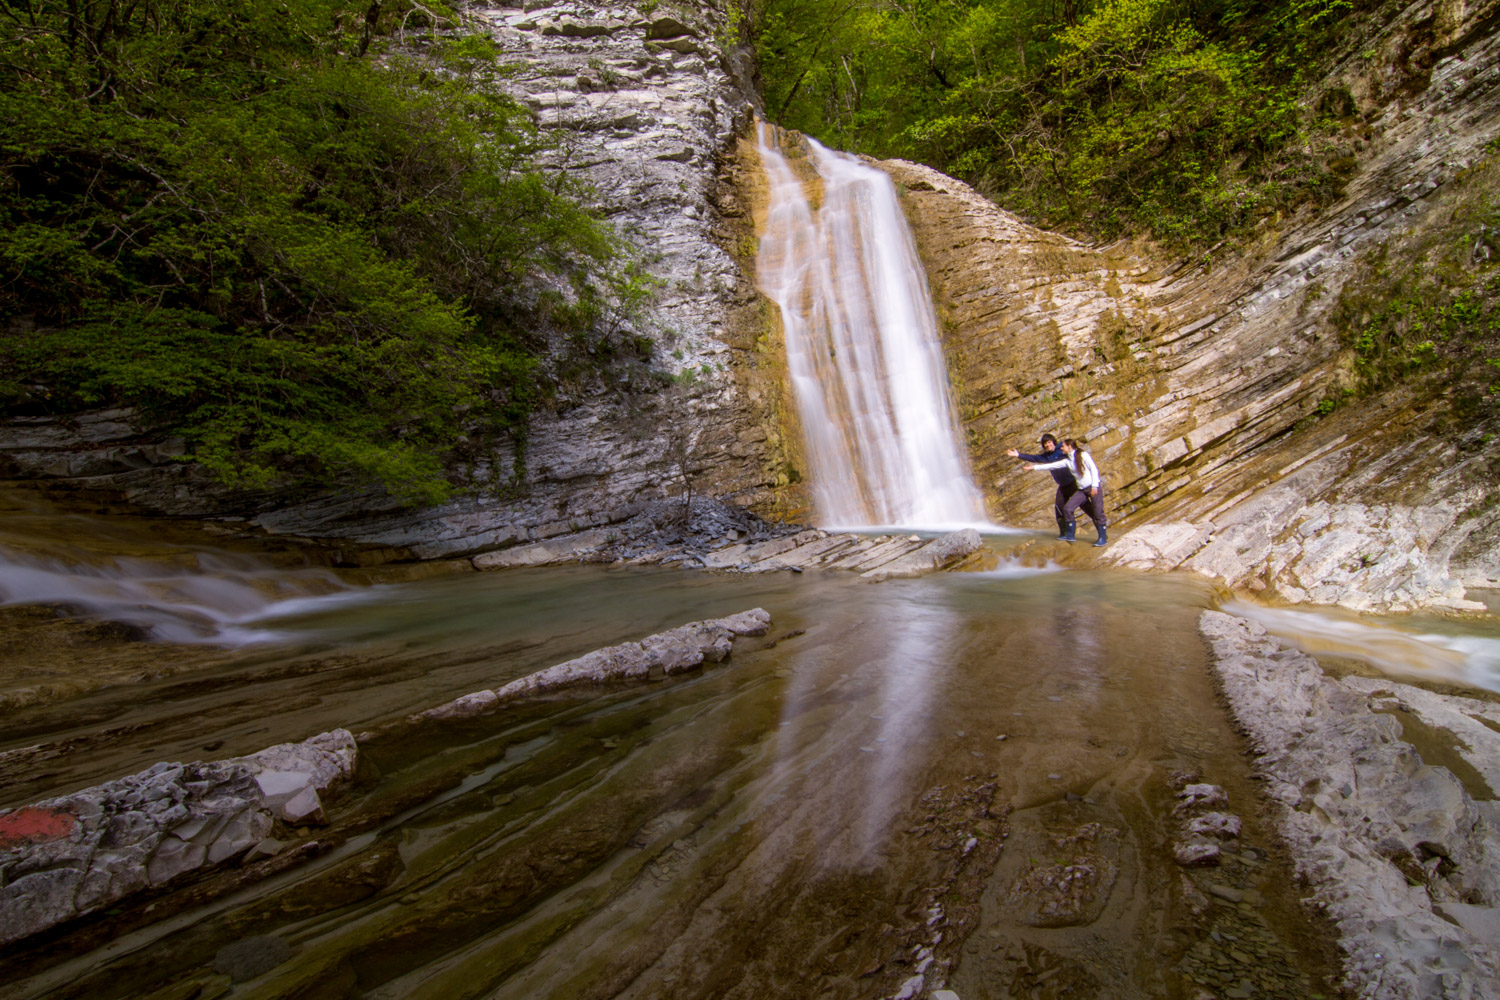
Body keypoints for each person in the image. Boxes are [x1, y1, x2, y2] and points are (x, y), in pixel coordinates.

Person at [1023, 438, 1108, 546]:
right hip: (1081, 490)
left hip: (1092, 487)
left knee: (1097, 512)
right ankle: (1070, 535)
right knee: (1068, 508)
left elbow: (1094, 470)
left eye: (1062, 446)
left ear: (1069, 446)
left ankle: (1103, 538)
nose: (1061, 448)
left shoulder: (1083, 455)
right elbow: (1051, 466)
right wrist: (1034, 467)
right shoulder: (1067, 461)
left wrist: (1095, 486)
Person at [1006, 434, 1076, 540]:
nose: (1048, 445)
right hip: (1062, 486)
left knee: (1084, 506)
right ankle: (1064, 533)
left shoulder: (1062, 450)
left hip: (1073, 483)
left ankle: (1100, 530)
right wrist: (1018, 455)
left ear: (1053, 441)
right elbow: (1034, 458)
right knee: (1059, 507)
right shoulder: (1046, 457)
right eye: (1045, 444)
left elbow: (1074, 452)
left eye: (1049, 442)